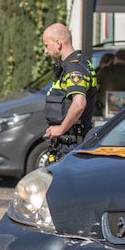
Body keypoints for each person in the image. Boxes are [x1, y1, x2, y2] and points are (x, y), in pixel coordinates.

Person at [41, 23, 97, 157]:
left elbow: (79, 103)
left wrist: (61, 129)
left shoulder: (75, 68)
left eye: (46, 45)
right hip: (65, 144)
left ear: (58, 43)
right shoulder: (67, 67)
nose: (46, 51)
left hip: (71, 145)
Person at [95, 48, 125, 116]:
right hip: (124, 111)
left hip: (102, 110)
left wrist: (102, 68)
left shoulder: (106, 71)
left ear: (115, 58)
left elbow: (94, 90)